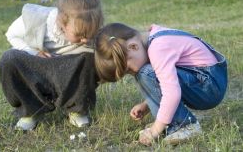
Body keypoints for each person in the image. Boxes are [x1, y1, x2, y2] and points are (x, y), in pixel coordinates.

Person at [94, 23, 227, 145]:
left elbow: (172, 93)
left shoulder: (158, 48)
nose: (130, 73)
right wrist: (147, 103)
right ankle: (168, 124)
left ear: (133, 47)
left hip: (208, 86)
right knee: (146, 73)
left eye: (127, 69)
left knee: (145, 73)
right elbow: (168, 81)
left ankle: (184, 125)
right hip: (205, 81)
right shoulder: (153, 40)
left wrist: (155, 130)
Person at [0, 0, 104, 131]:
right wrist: (33, 52)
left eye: (90, 33)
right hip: (38, 73)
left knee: (89, 59)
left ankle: (76, 108)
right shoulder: (38, 20)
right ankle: (30, 111)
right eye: (80, 35)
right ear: (62, 21)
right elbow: (11, 34)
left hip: (69, 77)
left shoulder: (89, 28)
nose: (85, 39)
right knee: (9, 58)